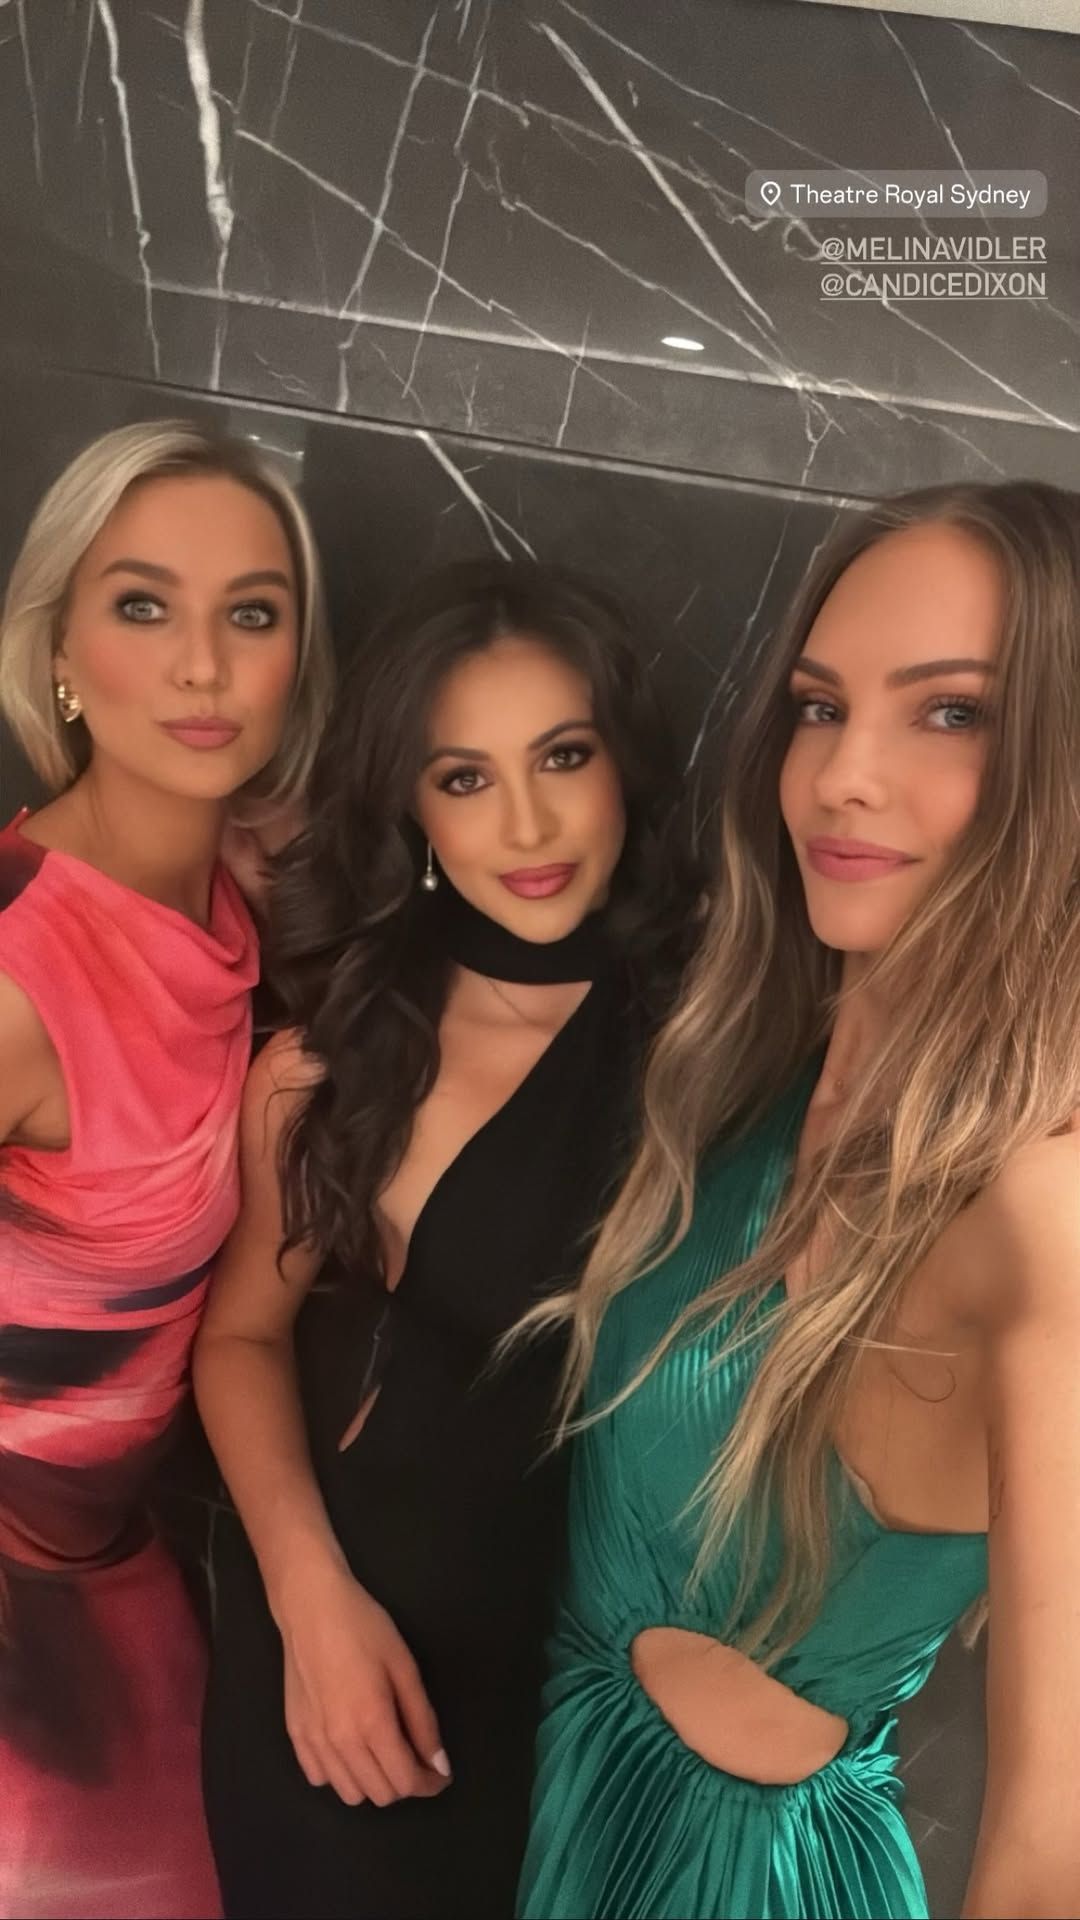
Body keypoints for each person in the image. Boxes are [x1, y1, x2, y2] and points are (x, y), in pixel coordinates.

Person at [518, 481, 1080, 1920]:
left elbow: (1054, 1851)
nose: (841, 775)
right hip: (573, 1824)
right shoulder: (758, 1072)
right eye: (822, 707)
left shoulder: (1043, 1206)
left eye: (951, 713)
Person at [193, 558, 699, 1920]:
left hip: (614, 1706)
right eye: (464, 777)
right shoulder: (343, 1052)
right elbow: (239, 1338)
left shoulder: (726, 1037)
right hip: (359, 1678)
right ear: (412, 807)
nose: (526, 822)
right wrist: (311, 1607)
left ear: (625, 764)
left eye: (564, 756)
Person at [0, 419, 332, 1920]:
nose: (203, 667)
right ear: (58, 649)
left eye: (250, 615)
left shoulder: (228, 899)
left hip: (111, 1562)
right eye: (143, 607)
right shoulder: (20, 966)